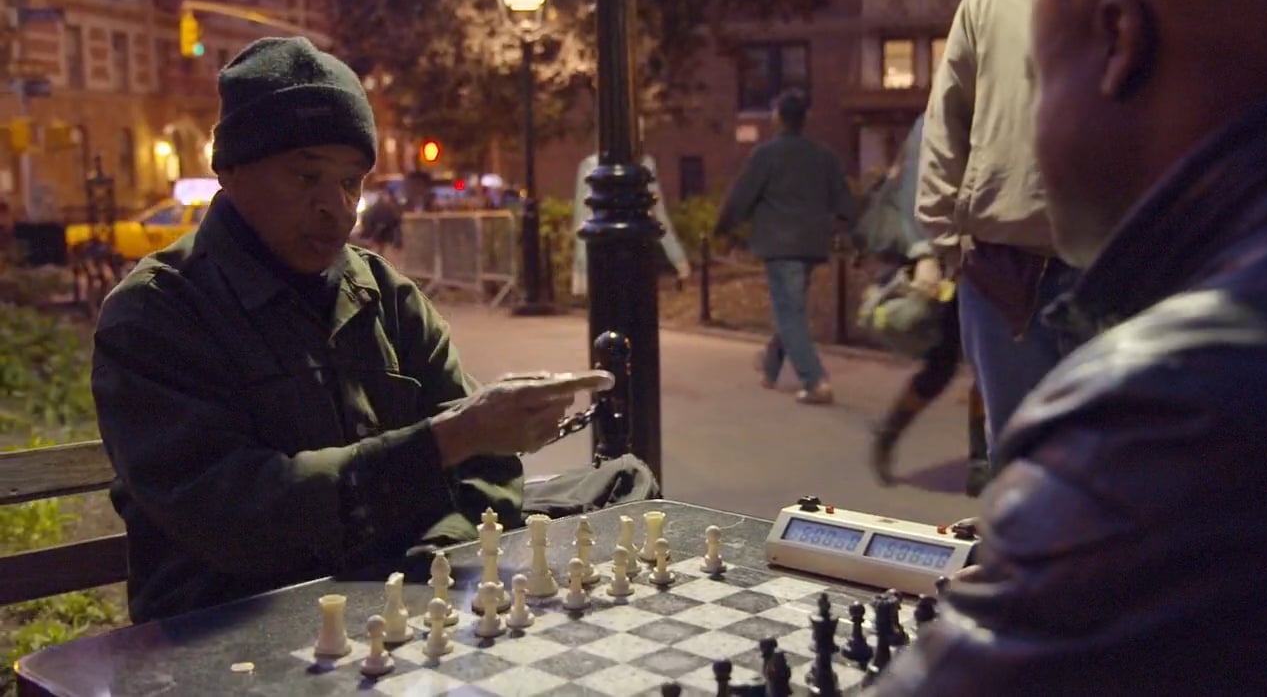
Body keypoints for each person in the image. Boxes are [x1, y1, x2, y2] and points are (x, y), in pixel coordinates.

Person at [91, 37, 613, 624]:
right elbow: (237, 518)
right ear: (230, 171)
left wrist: (436, 562)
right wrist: (444, 441)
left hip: (390, 615)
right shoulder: (157, 314)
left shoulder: (384, 294)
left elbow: (487, 464)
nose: (336, 208)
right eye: (305, 176)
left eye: (352, 183)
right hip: (227, 634)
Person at [868, 0, 1267, 692]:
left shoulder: (1162, 407)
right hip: (1000, 268)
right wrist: (945, 236)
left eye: (1039, 78)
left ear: (1118, 42)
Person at [914, 0, 1078, 475]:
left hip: (1111, 260)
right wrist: (944, 239)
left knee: (1113, 451)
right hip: (1000, 259)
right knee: (1014, 449)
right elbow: (947, 118)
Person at [855, 116, 988, 496]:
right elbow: (916, 184)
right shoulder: (936, 117)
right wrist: (925, 253)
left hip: (987, 250)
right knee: (946, 362)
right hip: (948, 255)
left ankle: (982, 460)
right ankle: (889, 433)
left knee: (985, 354)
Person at [715, 89, 857, 405]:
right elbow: (845, 204)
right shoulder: (825, 156)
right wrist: (839, 229)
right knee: (790, 307)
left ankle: (815, 380)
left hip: (779, 245)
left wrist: (723, 228)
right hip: (811, 244)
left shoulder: (766, 155)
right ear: (805, 119)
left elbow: (741, 197)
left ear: (778, 118)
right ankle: (770, 367)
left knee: (789, 312)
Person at [570, 152, 692, 297]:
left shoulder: (593, 166)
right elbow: (658, 214)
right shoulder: (592, 166)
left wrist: (679, 260)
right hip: (622, 250)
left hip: (620, 251)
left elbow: (583, 218)